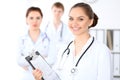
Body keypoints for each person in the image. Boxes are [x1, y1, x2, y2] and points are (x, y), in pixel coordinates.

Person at [32, 2, 112, 80]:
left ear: (90, 21)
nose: (74, 23)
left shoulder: (102, 51)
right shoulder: (63, 50)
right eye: (71, 18)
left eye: (80, 19)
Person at [17, 6, 49, 80]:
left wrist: (27, 59)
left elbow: (52, 59)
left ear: (41, 19)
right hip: (27, 76)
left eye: (38, 18)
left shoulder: (48, 38)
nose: (35, 21)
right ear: (26, 19)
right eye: (31, 18)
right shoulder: (21, 39)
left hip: (44, 76)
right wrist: (40, 56)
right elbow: (19, 60)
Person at [43, 2, 74, 66]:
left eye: (59, 11)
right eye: (55, 11)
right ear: (52, 11)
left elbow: (70, 44)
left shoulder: (67, 28)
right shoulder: (45, 27)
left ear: (63, 13)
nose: (57, 13)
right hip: (47, 59)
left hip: (62, 60)